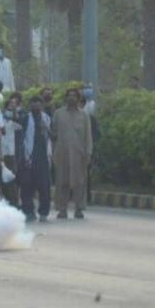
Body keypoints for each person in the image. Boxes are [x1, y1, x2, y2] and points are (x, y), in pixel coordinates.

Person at [51, 87, 94, 219]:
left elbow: (88, 136)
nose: (71, 98)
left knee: (79, 182)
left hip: (79, 154)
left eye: (74, 96)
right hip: (61, 153)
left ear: (78, 98)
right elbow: (54, 134)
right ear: (66, 98)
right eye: (69, 95)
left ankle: (79, 209)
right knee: (62, 182)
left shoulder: (84, 115)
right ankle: (62, 209)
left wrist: (88, 153)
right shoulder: (58, 114)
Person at [19, 96, 53, 223]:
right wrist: (24, 156)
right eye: (33, 105)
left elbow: (53, 136)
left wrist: (46, 128)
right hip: (28, 157)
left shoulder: (47, 118)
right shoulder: (25, 119)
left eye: (38, 105)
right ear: (30, 106)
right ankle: (28, 211)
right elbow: (21, 138)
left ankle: (43, 212)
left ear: (42, 106)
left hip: (43, 157)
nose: (36, 107)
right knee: (27, 186)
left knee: (44, 187)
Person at [0, 94, 22, 207]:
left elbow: (19, 126)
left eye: (14, 106)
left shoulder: (15, 122)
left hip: (12, 153)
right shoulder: (1, 119)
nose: (11, 109)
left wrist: (14, 114)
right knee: (2, 178)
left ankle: (14, 201)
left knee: (13, 178)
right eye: (9, 106)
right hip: (1, 153)